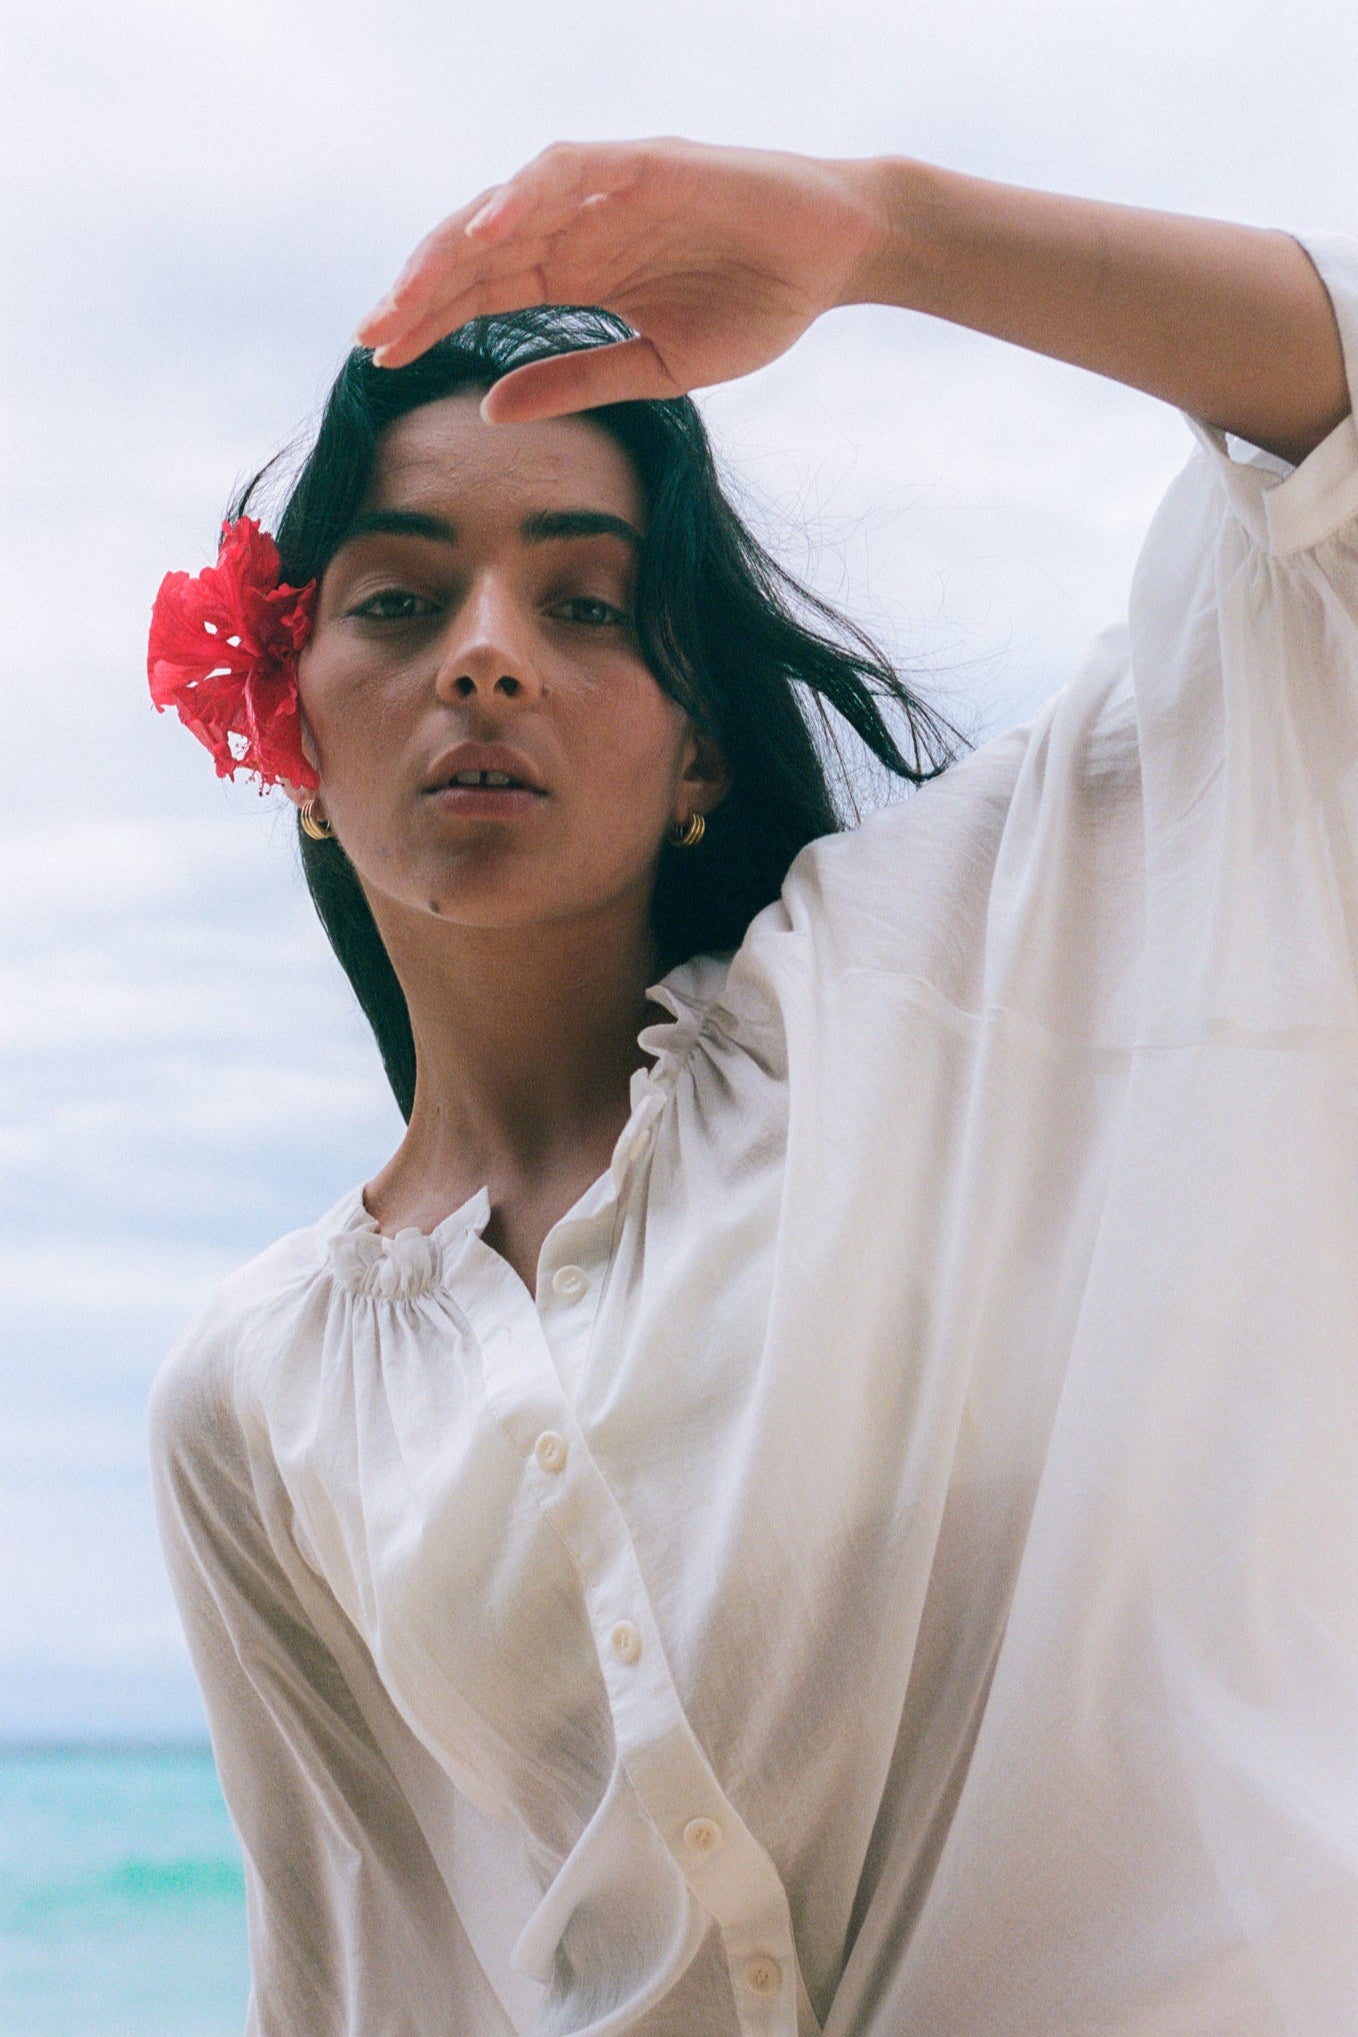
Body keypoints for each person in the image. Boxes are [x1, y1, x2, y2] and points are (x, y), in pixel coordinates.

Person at [147, 139, 1358, 2035]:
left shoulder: (938, 978)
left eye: (585, 604)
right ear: (289, 725)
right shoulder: (254, 1396)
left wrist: (887, 231)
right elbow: (367, 1984)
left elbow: (1327, 492)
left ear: (699, 741)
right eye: (397, 602)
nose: (486, 657)